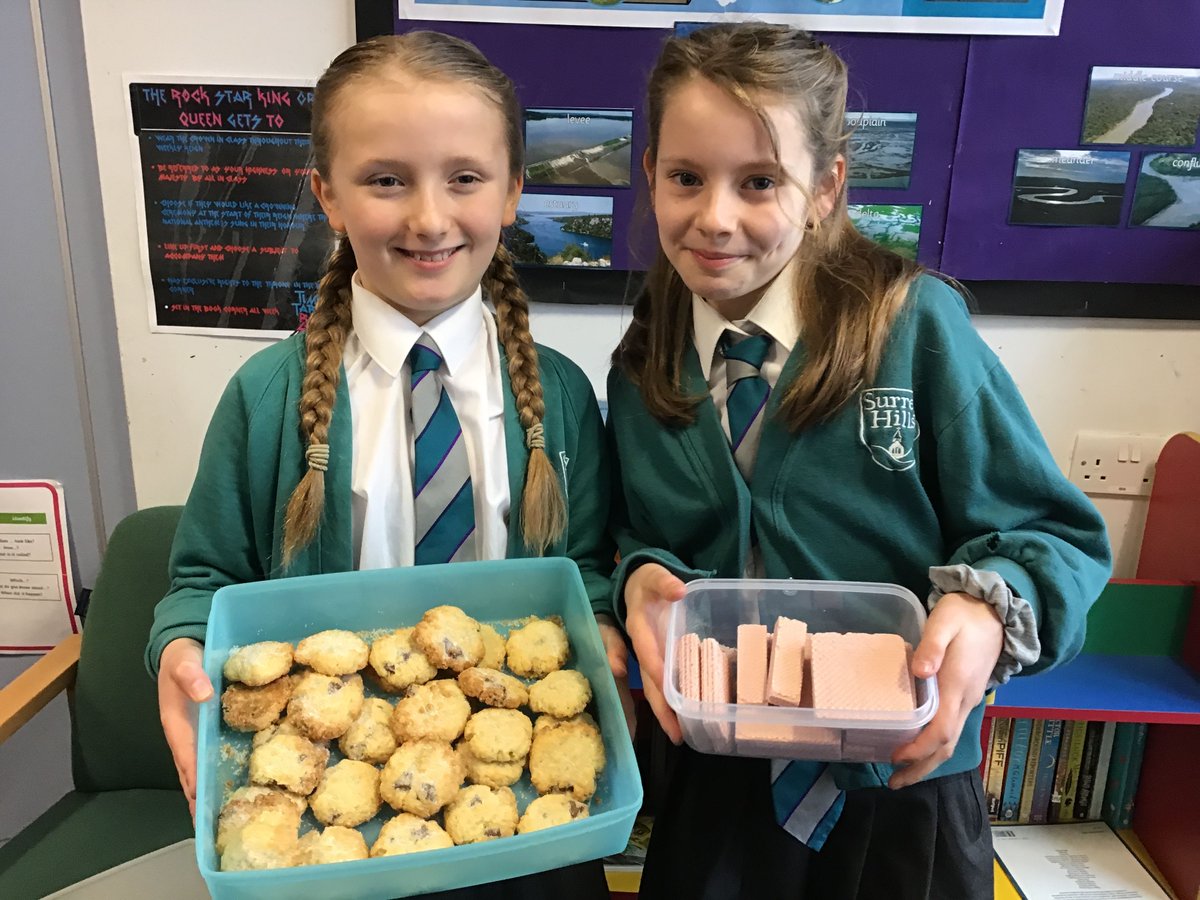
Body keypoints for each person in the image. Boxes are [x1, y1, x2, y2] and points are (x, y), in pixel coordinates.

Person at [606, 23, 1111, 900]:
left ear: (826, 187)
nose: (714, 216)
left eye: (759, 181)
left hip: (903, 793)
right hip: (718, 797)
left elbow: (1053, 536)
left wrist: (993, 610)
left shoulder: (914, 330)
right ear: (650, 172)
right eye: (687, 177)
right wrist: (639, 577)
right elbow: (634, 538)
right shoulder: (643, 363)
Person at [147, 31, 619, 898]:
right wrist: (180, 647)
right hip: (339, 825)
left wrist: (607, 633)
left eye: (466, 178)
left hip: (516, 823)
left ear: (514, 190)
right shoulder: (266, 399)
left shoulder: (559, 397)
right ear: (327, 194)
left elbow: (584, 578)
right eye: (386, 179)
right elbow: (202, 580)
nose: (430, 218)